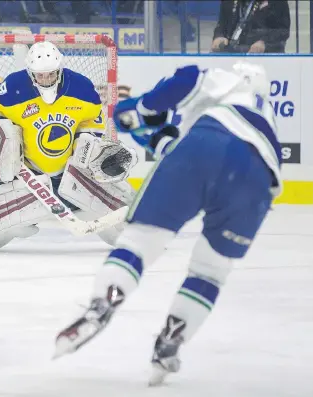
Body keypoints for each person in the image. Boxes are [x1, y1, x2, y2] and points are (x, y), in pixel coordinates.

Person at [53, 62, 282, 386]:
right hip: (259, 179)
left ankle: (103, 304)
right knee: (210, 271)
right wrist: (150, 132)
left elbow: (186, 81)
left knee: (139, 241)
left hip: (202, 148)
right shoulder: (264, 119)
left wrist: (140, 108)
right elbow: (184, 146)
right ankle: (170, 342)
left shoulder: (227, 81)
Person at [0, 41, 137, 251]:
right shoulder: (14, 86)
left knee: (102, 205)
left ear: (59, 70)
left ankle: (135, 232)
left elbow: (94, 118)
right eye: (40, 75)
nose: (46, 79)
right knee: (10, 223)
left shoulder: (81, 87)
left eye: (50, 74)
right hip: (26, 170)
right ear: (31, 73)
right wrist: (2, 135)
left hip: (70, 169)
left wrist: (83, 143)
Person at [211, 0, 290, 53]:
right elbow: (221, 24)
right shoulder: (229, 2)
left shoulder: (277, 2)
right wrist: (219, 36)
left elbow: (283, 30)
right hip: (231, 50)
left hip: (261, 54)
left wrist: (264, 42)